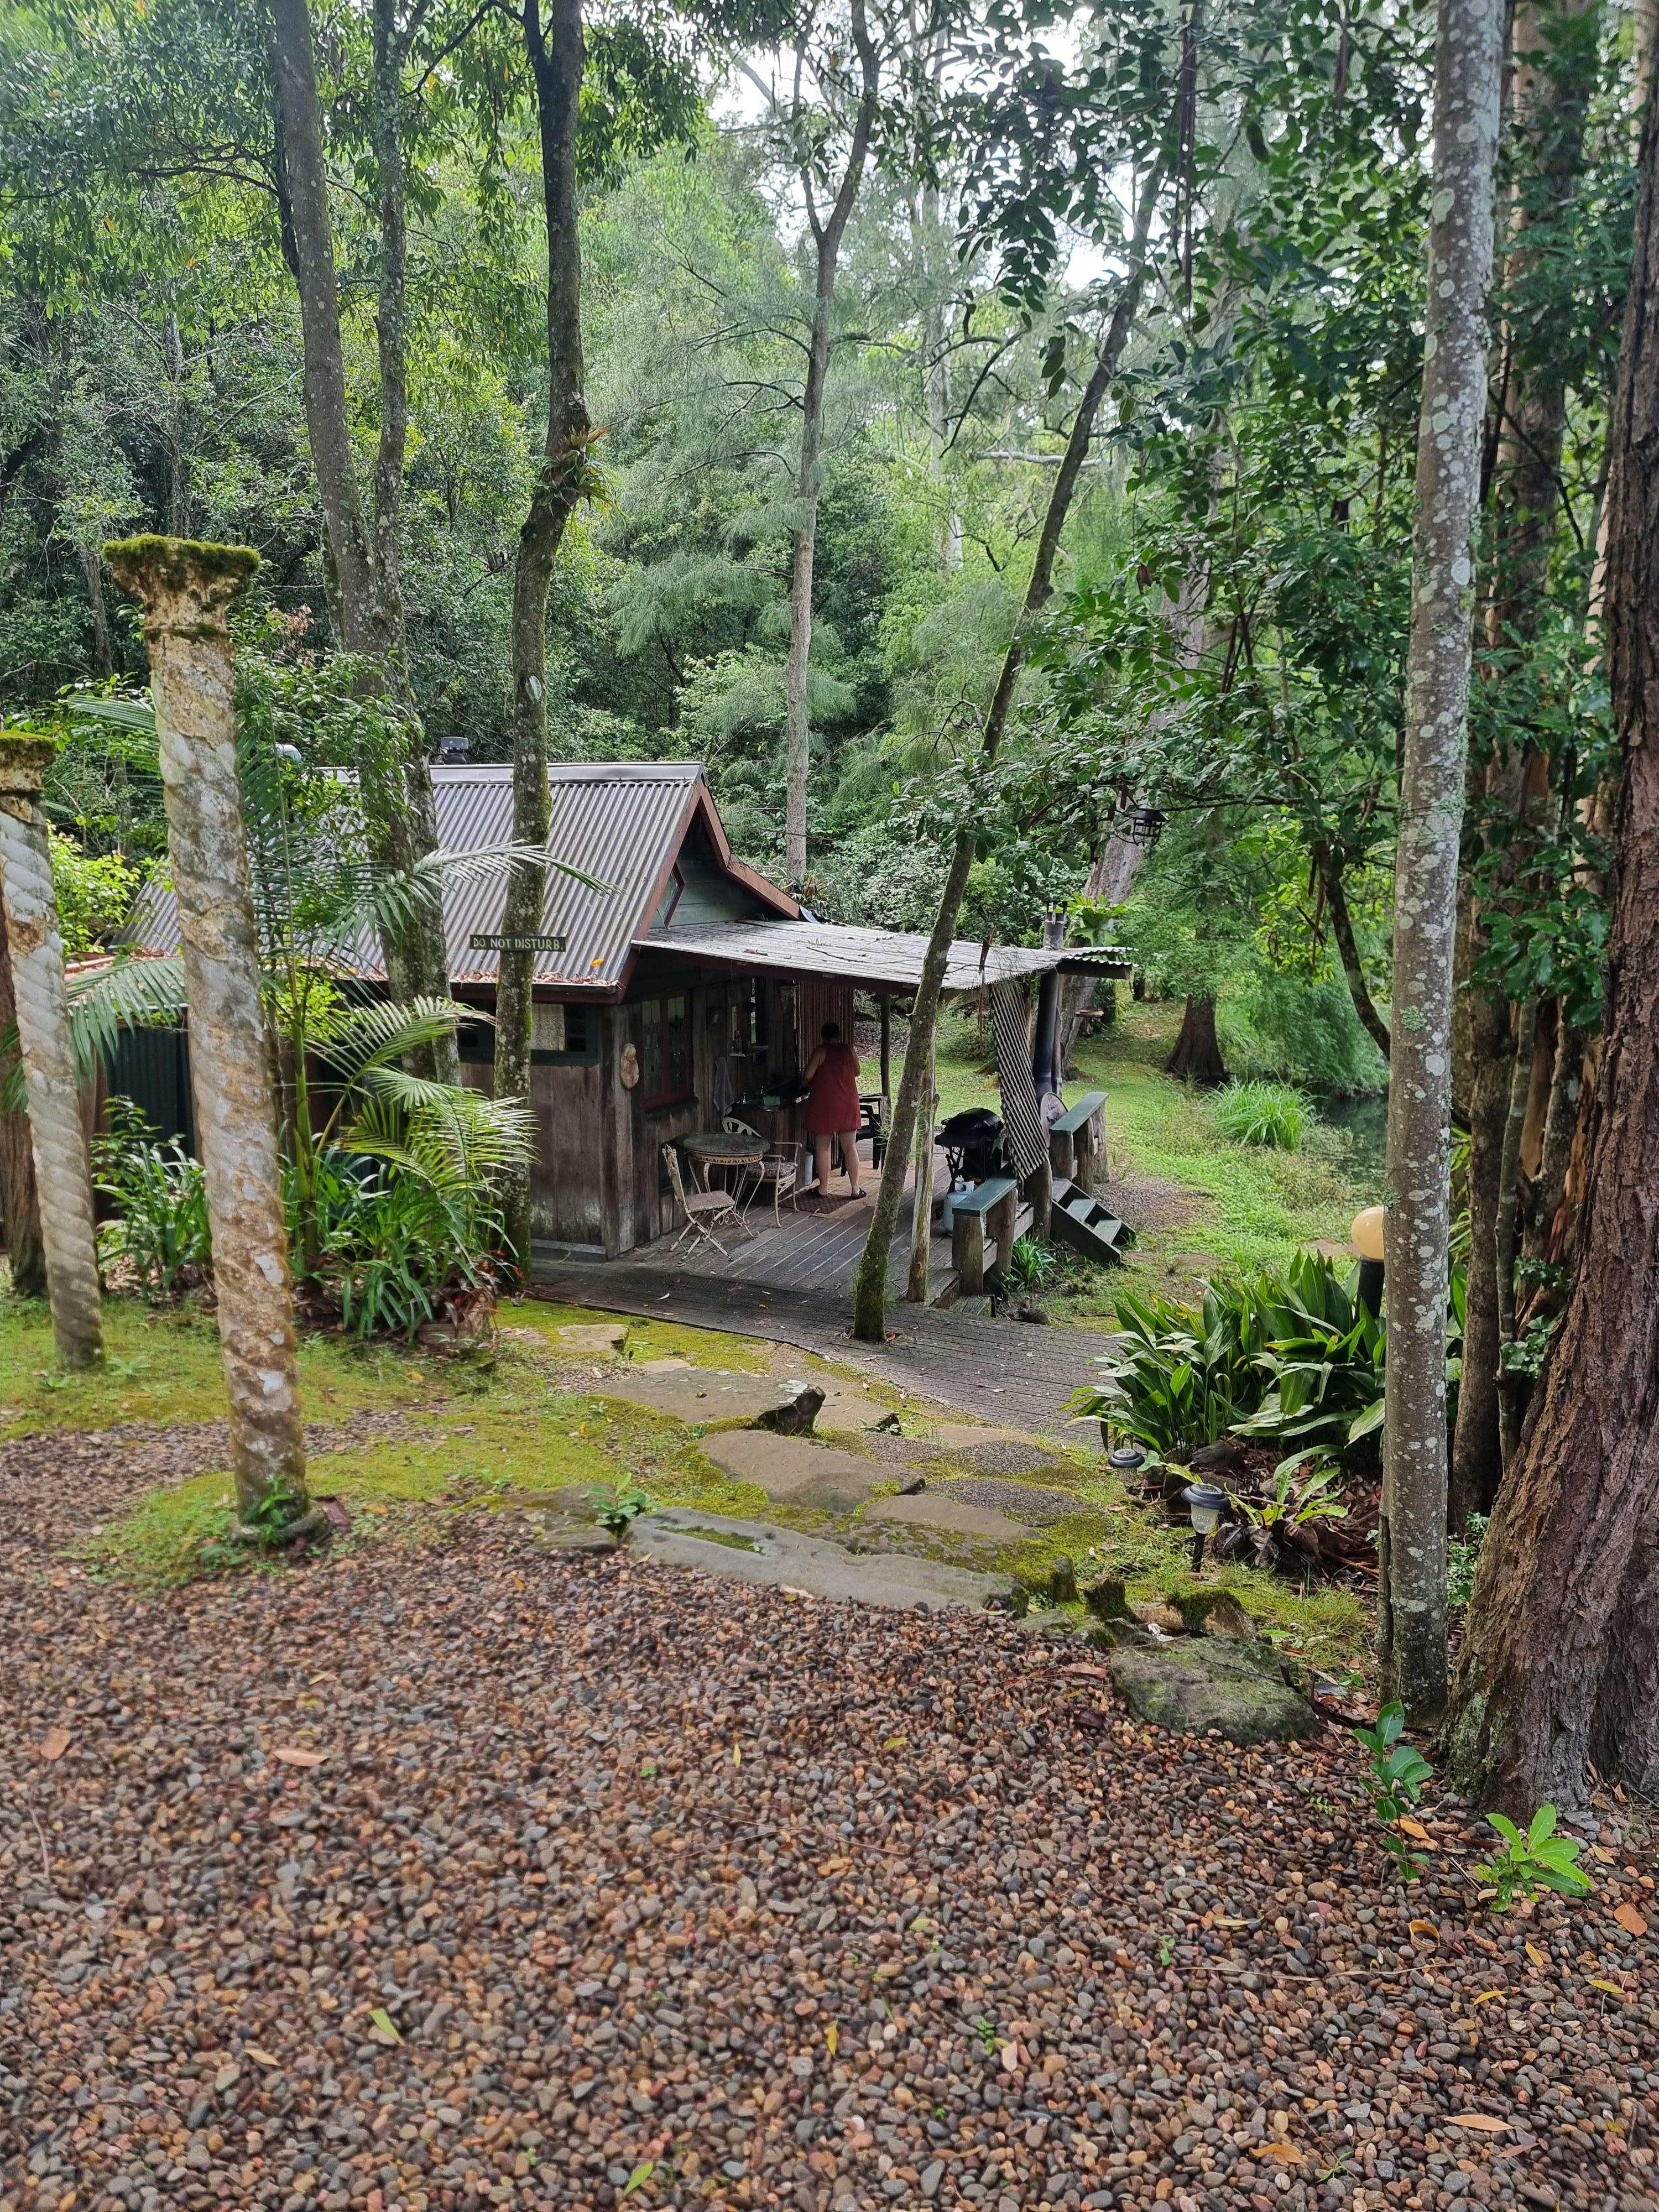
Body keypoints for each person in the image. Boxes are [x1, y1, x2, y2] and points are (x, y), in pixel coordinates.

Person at [803, 1020, 863, 1198]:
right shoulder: (849, 1050)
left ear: (823, 1036)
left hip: (826, 1104)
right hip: (848, 1103)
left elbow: (808, 1075)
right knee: (850, 1148)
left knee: (823, 1148)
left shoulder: (821, 1051)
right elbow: (857, 1072)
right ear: (838, 1035)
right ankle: (856, 1189)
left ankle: (823, 1189)